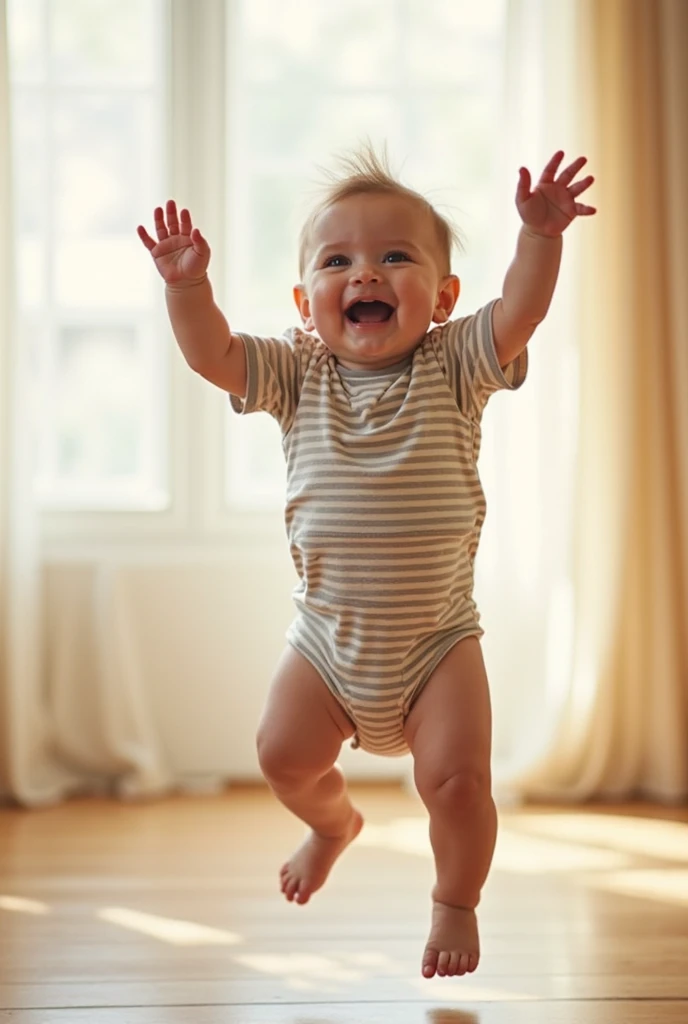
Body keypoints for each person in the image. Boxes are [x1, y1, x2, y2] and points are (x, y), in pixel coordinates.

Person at [137, 146, 595, 979]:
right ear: (305, 304)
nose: (365, 274)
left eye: (395, 257)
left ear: (444, 296)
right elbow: (211, 356)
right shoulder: (295, 369)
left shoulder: (455, 363)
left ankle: (455, 900)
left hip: (437, 643)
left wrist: (541, 238)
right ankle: (332, 824)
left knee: (458, 785)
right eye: (336, 260)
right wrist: (185, 287)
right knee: (281, 756)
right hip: (324, 643)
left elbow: (521, 315)